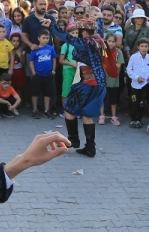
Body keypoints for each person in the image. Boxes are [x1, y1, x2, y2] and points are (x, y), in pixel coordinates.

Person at [46, 12, 108, 157]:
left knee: (68, 109)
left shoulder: (86, 43)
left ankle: (73, 140)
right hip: (100, 85)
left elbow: (66, 37)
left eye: (79, 32)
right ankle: (90, 147)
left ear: (85, 32)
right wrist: (98, 17)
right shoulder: (99, 40)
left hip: (88, 84)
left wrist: (52, 26)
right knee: (87, 115)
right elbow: (100, 28)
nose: (77, 35)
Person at [125, 38, 149, 129]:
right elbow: (129, 69)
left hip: (145, 85)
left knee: (142, 103)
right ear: (138, 47)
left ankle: (139, 120)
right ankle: (133, 119)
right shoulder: (133, 57)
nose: (144, 48)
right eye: (142, 46)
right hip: (135, 85)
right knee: (134, 102)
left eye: (146, 46)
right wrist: (136, 78)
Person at [28, 31, 57, 118]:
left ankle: (46, 110)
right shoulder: (35, 49)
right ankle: (35, 110)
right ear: (38, 38)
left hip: (48, 74)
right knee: (35, 93)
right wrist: (34, 73)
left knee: (47, 93)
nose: (45, 40)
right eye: (43, 38)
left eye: (47, 38)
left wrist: (53, 71)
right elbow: (31, 62)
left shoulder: (51, 48)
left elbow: (54, 60)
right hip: (38, 74)